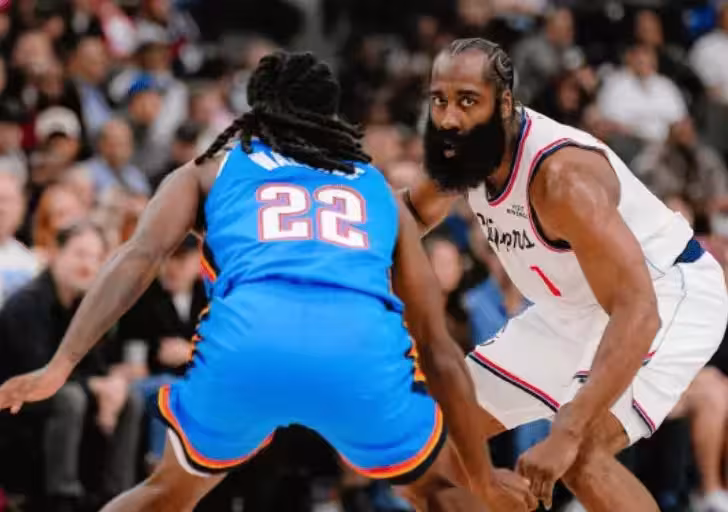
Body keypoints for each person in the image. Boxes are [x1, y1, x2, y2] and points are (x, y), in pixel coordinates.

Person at [0, 51, 535, 512]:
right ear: (332, 115)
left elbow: (137, 258)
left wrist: (60, 364)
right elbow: (437, 346)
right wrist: (483, 476)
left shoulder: (209, 171)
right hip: (359, 356)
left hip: (248, 348)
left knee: (166, 493)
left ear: (256, 110)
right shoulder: (376, 189)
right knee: (436, 489)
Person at [404, 38, 728, 511]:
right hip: (573, 306)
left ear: (505, 104)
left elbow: (638, 310)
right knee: (422, 441)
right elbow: (406, 218)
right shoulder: (466, 153)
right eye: (440, 100)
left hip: (665, 295)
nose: (450, 117)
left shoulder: (562, 179)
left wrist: (570, 428)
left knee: (579, 455)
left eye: (467, 100)